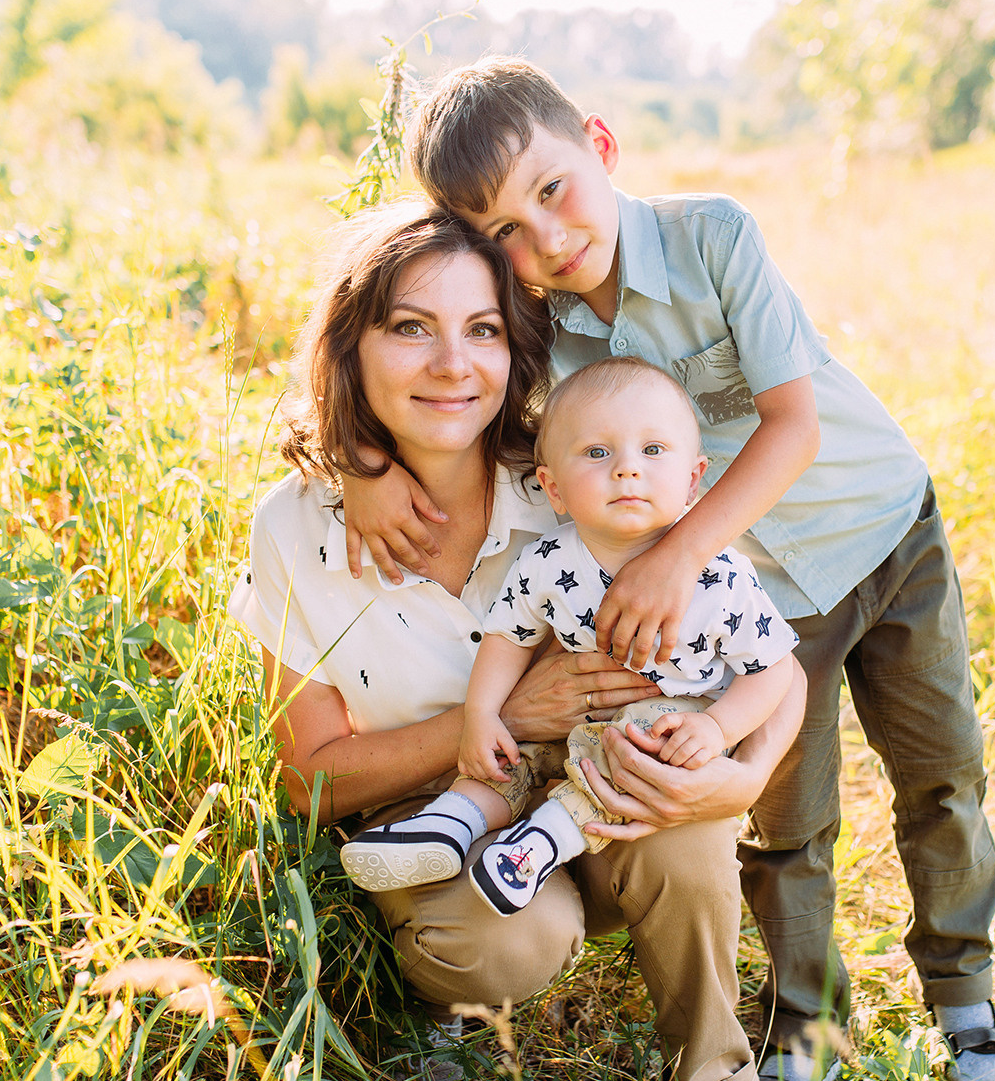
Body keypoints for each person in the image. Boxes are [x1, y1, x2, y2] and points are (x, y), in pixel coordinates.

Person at [340, 58, 995, 1081]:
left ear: (599, 146)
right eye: (504, 233)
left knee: (940, 773)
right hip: (767, 597)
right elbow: (444, 403)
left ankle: (962, 996)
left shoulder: (713, 237)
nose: (545, 241)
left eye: (552, 192)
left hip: (883, 530)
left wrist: (672, 556)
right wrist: (358, 466)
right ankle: (802, 1029)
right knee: (784, 816)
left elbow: (792, 424)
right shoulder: (542, 332)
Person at [229, 202, 809, 1081]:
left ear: (515, 352)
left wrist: (735, 777)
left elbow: (770, 663)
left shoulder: (578, 475)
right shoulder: (296, 529)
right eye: (410, 327)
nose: (452, 364)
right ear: (350, 346)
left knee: (677, 824)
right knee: (504, 941)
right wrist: (502, 718)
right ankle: (453, 1006)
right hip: (445, 816)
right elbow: (308, 783)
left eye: (483, 330)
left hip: (612, 778)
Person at [342, 356, 797, 916]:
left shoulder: (717, 574)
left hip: (666, 725)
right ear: (554, 490)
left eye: (653, 451)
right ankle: (451, 822)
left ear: (693, 479)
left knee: (636, 746)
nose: (627, 470)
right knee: (509, 748)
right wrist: (483, 715)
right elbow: (508, 638)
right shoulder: (549, 558)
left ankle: (536, 848)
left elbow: (773, 667)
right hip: (571, 721)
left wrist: (716, 725)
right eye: (598, 453)